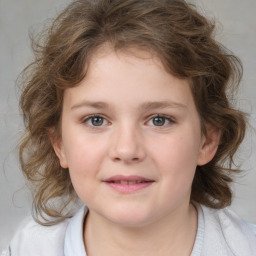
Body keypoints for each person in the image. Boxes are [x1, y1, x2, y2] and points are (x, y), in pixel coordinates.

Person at [2, 0, 256, 255]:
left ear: (207, 140)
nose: (126, 149)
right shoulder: (27, 249)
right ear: (59, 144)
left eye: (159, 120)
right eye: (96, 120)